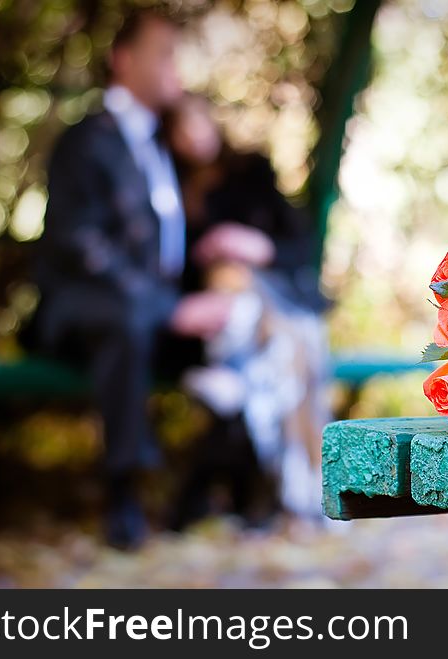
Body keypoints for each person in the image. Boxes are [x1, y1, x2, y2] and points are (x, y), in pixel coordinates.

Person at [33, 10, 233, 549]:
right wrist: (168, 307)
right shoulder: (85, 140)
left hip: (155, 309)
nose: (176, 66)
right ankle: (123, 492)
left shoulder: (165, 146)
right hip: (84, 309)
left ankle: (213, 486)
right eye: (164, 52)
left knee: (239, 328)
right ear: (124, 60)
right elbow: (80, 246)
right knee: (127, 323)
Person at [164, 95, 332, 523]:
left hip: (268, 314)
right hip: (208, 323)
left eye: (195, 122)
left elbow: (299, 248)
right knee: (263, 341)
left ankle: (297, 484)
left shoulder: (251, 174)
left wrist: (256, 248)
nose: (191, 136)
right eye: (179, 128)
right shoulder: (166, 189)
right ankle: (292, 490)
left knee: (279, 354)